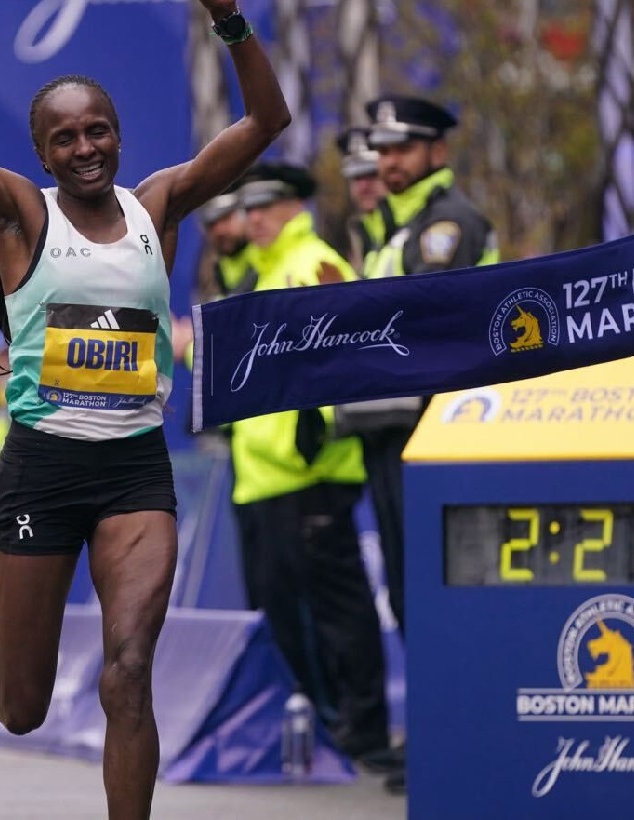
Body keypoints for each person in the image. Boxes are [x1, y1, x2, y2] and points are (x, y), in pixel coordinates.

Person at [0, 1, 289, 816]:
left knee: (129, 672)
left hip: (133, 472)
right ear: (42, 151)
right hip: (41, 469)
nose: (85, 149)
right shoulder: (21, 212)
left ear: (118, 135)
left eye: (98, 132)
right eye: (66, 138)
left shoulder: (158, 208)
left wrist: (229, 23)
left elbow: (266, 119)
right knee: (23, 710)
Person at [224, 164, 392, 770]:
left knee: (338, 612)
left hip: (311, 475)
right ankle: (329, 724)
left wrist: (311, 440)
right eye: (249, 208)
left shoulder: (314, 266)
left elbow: (345, 360)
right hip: (266, 476)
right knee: (290, 616)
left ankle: (364, 729)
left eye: (265, 206)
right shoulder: (261, 273)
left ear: (295, 206)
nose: (253, 218)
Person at [356, 93, 501, 796]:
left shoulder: (447, 225)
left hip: (439, 430)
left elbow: (422, 325)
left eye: (402, 149)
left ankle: (452, 733)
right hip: (393, 429)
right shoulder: (398, 228)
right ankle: (434, 729)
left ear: (436, 153)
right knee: (412, 592)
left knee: (436, 591)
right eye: (381, 151)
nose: (387, 163)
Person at [335, 125, 387, 273]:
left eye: (372, 174)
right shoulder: (347, 234)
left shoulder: (407, 226)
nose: (364, 186)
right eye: (356, 177)